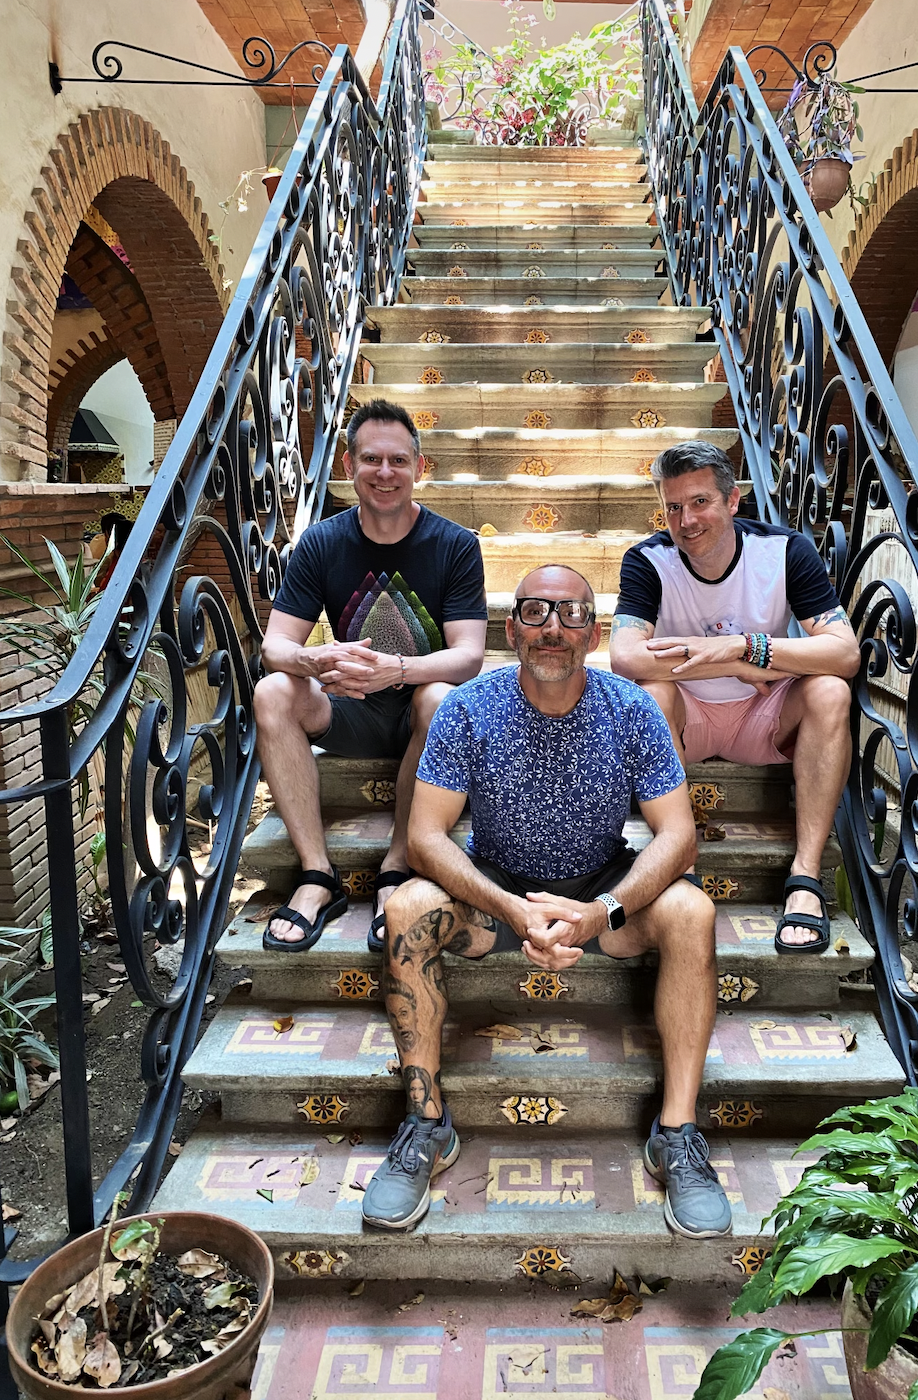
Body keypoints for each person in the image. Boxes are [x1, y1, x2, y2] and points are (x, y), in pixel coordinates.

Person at [361, 564, 732, 1240]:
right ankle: (425, 1124)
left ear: (594, 633)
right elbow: (424, 837)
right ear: (512, 630)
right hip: (495, 890)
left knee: (693, 911)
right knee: (407, 908)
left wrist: (602, 911)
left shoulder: (633, 708)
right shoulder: (468, 708)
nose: (552, 628)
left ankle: (676, 1134)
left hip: (602, 889)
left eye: (570, 614)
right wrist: (511, 908)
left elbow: (679, 837)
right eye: (534, 612)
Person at [253, 398, 488, 953]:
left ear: (419, 468)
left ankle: (396, 867)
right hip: (349, 709)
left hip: (423, 721)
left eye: (399, 461)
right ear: (348, 465)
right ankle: (317, 875)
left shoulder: (456, 545)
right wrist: (312, 661)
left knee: (439, 698)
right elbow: (274, 645)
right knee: (272, 691)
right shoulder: (321, 542)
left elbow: (469, 656)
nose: (385, 473)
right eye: (372, 459)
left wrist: (397, 670)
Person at [609, 441, 861, 955]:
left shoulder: (785, 550)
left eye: (700, 502)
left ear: (732, 500)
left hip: (764, 715)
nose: (686, 521)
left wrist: (745, 647)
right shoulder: (648, 560)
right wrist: (733, 664)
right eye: (673, 507)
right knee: (653, 693)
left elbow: (844, 653)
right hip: (689, 717)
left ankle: (805, 877)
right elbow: (626, 658)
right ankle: (677, 861)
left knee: (831, 691)